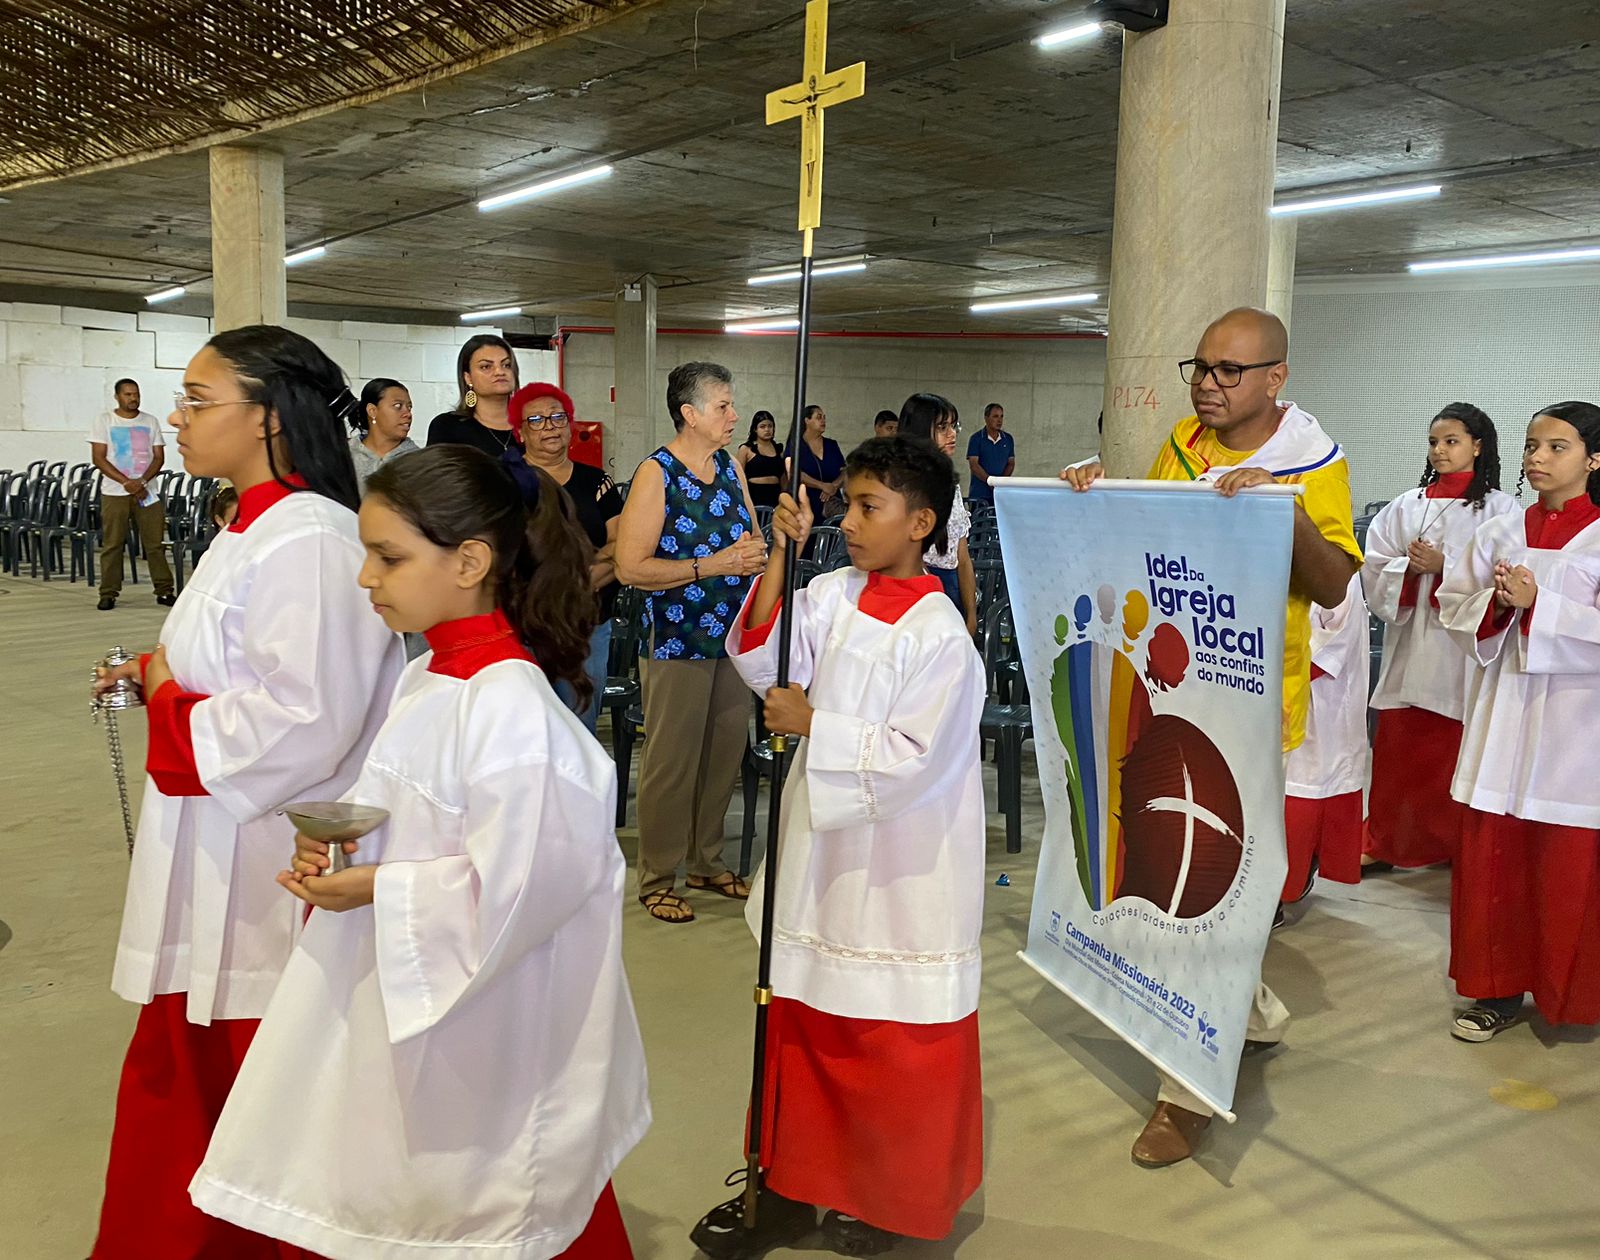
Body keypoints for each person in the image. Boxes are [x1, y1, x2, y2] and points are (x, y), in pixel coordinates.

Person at [192, 445, 650, 1258]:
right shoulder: (431, 674)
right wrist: (340, 850)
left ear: (470, 561)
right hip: (404, 989)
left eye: (388, 556)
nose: (365, 578)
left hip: (485, 1022)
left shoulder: (513, 713)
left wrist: (381, 888)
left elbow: (521, 899)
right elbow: (410, 814)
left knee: (470, 1203)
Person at [89, 325, 404, 1257]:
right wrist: (153, 666)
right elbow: (237, 670)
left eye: (198, 399)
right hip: (220, 848)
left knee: (264, 1085)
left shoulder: (308, 535)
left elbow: (307, 720)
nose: (178, 418)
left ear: (269, 416)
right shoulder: (250, 521)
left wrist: (163, 699)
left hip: (266, 857)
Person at [1061, 306, 1362, 1166]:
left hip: (1255, 711)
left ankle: (1185, 1091)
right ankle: (1254, 1011)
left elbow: (1334, 583)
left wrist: (1284, 512)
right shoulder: (1183, 444)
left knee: (1204, 889)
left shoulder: (1313, 458)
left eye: (1231, 370)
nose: (1208, 382)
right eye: (1202, 366)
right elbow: (1146, 534)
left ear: (1277, 379)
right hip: (1174, 688)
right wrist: (1097, 494)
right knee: (1176, 885)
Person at [693, 437, 986, 1259]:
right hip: (821, 854)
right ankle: (786, 1185)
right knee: (801, 1021)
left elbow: (916, 759)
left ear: (921, 522)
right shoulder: (832, 592)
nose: (849, 522)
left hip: (902, 867)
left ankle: (887, 1197)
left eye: (869, 508)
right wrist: (782, 557)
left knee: (888, 1041)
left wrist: (817, 723)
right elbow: (763, 657)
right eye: (847, 505)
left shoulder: (942, 638)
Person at [1436, 401, 1600, 1043]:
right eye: (1533, 445)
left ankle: (1571, 994)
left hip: (1575, 725)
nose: (1537, 457)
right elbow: (1455, 603)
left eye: (1556, 447)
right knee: (1495, 853)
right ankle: (1495, 990)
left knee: (1564, 860)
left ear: (1593, 459)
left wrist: (1543, 604)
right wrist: (1498, 606)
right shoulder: (1501, 531)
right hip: (1504, 711)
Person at [615, 362, 768, 923]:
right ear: (690, 413)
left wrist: (760, 553)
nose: (734, 416)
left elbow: (750, 536)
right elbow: (631, 567)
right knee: (672, 762)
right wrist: (712, 565)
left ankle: (706, 861)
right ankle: (657, 875)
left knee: (723, 754)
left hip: (730, 639)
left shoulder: (731, 466)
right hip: (676, 641)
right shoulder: (656, 474)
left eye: (732, 405)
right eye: (723, 406)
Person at [1361, 404, 1517, 872]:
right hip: (1410, 646)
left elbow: (1505, 576)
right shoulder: (1407, 504)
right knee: (1398, 752)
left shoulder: (1500, 508)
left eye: (1451, 441)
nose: (1440, 450)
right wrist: (1404, 568)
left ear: (1478, 445)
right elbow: (1373, 563)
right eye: (1434, 442)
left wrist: (1445, 566)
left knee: (1451, 752)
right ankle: (1384, 841)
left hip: (1461, 653)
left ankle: (1452, 846)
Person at [502, 381, 621, 734]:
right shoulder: (507, 482)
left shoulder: (597, 481)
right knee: (525, 727)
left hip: (588, 623)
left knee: (577, 725)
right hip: (525, 624)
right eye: (536, 420)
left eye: (557, 417)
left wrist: (580, 581)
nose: (549, 426)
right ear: (521, 433)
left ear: (570, 426)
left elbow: (621, 542)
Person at [1281, 575, 1370, 913]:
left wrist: (1279, 673)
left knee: (1300, 788)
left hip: (1310, 698)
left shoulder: (1334, 562)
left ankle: (1281, 892)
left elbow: (1334, 640)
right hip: (1254, 691)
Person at [91, 377, 176, 610]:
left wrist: (142, 482)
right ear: (117, 396)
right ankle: (108, 592)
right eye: (128, 394)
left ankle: (164, 590)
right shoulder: (105, 420)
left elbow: (158, 457)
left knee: (154, 544)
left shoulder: (150, 421)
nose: (133, 398)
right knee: (113, 544)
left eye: (136, 394)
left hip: (147, 491)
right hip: (115, 492)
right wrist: (126, 482)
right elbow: (98, 457)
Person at [900, 392, 977, 636]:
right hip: (916, 594)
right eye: (942, 427)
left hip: (950, 588)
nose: (952, 433)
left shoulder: (950, 485)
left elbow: (962, 557)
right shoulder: (902, 486)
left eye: (954, 426)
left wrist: (971, 615)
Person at [425, 334, 521, 459]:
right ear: (468, 377)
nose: (500, 372)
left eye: (506, 365)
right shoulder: (447, 427)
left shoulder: (535, 424)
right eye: (486, 367)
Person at [347, 377, 419, 491]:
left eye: (409, 407)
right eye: (398, 406)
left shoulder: (419, 461)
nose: (408, 414)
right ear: (372, 411)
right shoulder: (345, 456)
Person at [791, 403, 845, 521]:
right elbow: (793, 471)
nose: (823, 420)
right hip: (807, 502)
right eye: (819, 417)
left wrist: (833, 486)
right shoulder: (796, 446)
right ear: (807, 420)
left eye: (824, 417)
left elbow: (844, 471)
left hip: (831, 504)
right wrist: (821, 485)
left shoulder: (832, 445)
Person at [966, 402, 1015, 502]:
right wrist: (990, 481)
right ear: (986, 418)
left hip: (999, 493)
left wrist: (999, 483)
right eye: (995, 416)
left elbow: (1011, 463)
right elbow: (974, 465)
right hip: (979, 494)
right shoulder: (976, 438)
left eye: (1001, 416)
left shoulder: (1008, 439)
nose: (999, 420)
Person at [737, 409, 785, 509]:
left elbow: (784, 477)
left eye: (770, 426)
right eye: (762, 427)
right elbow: (738, 476)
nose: (767, 430)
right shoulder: (746, 449)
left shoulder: (779, 450)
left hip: (775, 495)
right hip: (753, 494)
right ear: (755, 429)